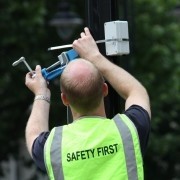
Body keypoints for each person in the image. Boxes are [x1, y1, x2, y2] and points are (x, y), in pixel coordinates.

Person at [25, 27, 151, 180]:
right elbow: (136, 92)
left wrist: (41, 94)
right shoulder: (129, 130)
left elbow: (33, 134)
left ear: (64, 99)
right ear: (105, 89)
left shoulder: (53, 147)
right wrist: (95, 57)